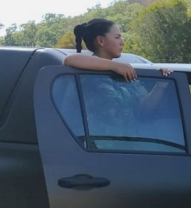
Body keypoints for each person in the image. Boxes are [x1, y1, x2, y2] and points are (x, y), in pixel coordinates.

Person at [64, 19, 175, 148]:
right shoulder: (89, 71)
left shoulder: (124, 71)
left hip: (129, 146)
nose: (122, 42)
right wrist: (114, 66)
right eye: (117, 37)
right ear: (100, 40)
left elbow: (143, 109)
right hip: (99, 147)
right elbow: (69, 60)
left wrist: (160, 85)